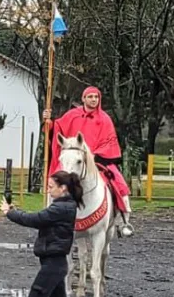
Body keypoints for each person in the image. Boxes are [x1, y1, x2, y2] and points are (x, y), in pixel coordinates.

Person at [1, 171, 110, 297]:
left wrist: (10, 213)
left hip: (53, 265)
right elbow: (40, 218)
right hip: (55, 265)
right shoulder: (63, 206)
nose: (48, 190)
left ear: (63, 188)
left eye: (51, 187)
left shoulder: (63, 208)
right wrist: (15, 211)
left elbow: (36, 219)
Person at [43, 87, 132, 235]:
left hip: (98, 160)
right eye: (90, 96)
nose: (93, 99)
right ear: (83, 99)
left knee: (119, 182)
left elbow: (110, 142)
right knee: (55, 180)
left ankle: (123, 220)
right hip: (73, 159)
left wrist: (95, 156)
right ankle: (49, 215)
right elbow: (58, 129)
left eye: (96, 97)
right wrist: (48, 122)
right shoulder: (71, 115)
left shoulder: (105, 119)